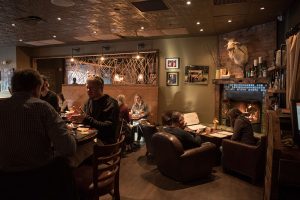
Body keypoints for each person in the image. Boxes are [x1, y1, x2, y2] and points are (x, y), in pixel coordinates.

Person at [0, 69, 77, 199]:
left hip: (4, 181)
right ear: (37, 88)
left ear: (12, 88)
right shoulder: (43, 107)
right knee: (64, 164)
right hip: (38, 178)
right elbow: (68, 148)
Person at [71, 75, 120, 144]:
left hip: (104, 142)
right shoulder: (88, 102)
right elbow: (87, 122)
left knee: (74, 151)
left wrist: (85, 119)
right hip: (89, 139)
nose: (88, 90)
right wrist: (78, 120)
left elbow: (109, 128)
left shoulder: (111, 103)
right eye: (87, 87)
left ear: (100, 88)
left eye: (91, 88)